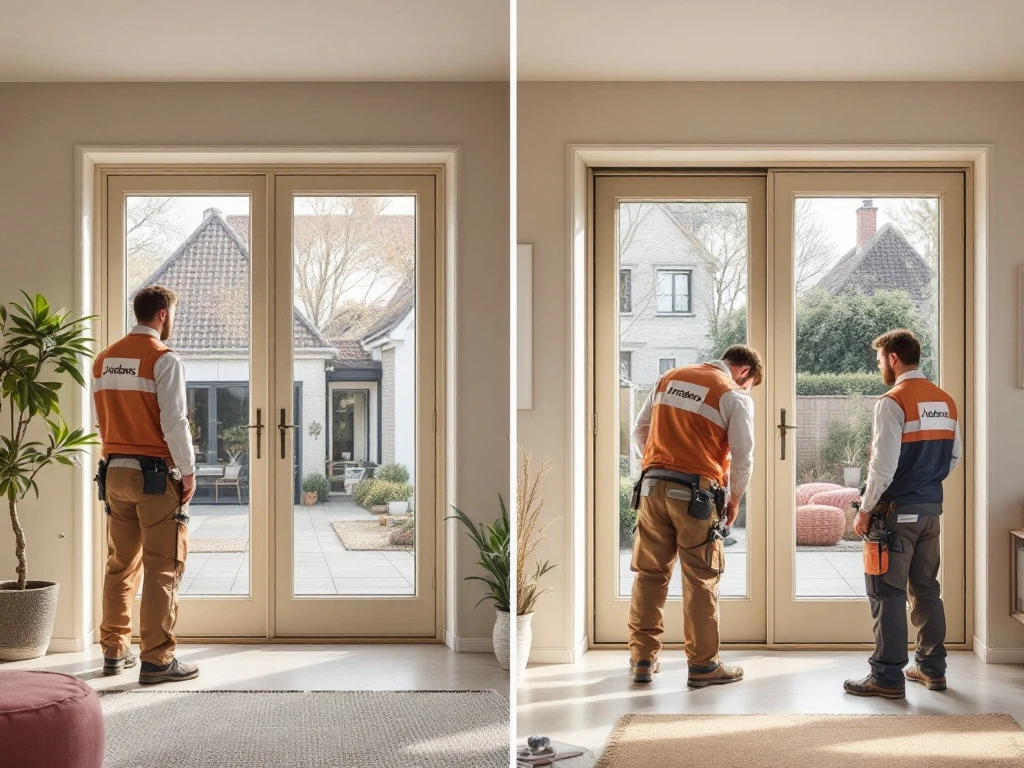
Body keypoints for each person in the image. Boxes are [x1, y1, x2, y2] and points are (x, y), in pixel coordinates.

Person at [628, 345, 762, 687]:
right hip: (696, 496)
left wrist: (662, 466)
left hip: (651, 487)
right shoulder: (733, 394)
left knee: (649, 574)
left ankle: (642, 660)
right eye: (750, 383)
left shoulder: (667, 379)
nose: (748, 389)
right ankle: (703, 666)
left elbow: (639, 431)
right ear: (744, 372)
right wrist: (734, 500)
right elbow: (744, 459)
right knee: (701, 577)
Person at [844, 329, 961, 699]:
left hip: (895, 515)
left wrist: (864, 511)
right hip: (930, 511)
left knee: (887, 592)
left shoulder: (893, 401)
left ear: (893, 358)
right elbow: (954, 457)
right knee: (926, 589)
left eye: (880, 359)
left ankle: (887, 676)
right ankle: (931, 669)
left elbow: (882, 466)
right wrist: (924, 485)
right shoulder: (945, 401)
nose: (879, 365)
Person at [93, 285, 200, 684]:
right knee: (162, 568)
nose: (172, 321)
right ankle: (157, 659)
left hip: (113, 473)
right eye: (172, 314)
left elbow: (101, 420)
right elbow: (175, 421)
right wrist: (188, 470)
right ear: (161, 315)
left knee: (120, 565)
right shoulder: (163, 359)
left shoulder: (104, 360)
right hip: (154, 476)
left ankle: (113, 650)